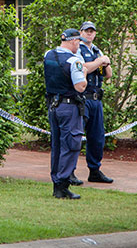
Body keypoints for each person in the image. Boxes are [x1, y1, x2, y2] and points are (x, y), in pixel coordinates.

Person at [43, 28, 88, 199]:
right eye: (78, 42)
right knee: (70, 144)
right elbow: (80, 86)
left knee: (56, 145)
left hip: (53, 106)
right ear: (73, 41)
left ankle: (57, 183)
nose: (79, 46)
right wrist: (83, 71)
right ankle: (62, 184)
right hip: (69, 108)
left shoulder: (48, 54)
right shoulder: (73, 60)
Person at [69, 21, 113, 185]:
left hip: (96, 98)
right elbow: (84, 68)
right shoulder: (77, 50)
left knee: (97, 137)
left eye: (92, 31)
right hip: (82, 98)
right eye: (86, 31)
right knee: (76, 136)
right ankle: (70, 172)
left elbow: (108, 74)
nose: (89, 34)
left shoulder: (96, 50)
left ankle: (94, 171)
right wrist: (100, 61)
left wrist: (105, 62)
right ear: (80, 32)